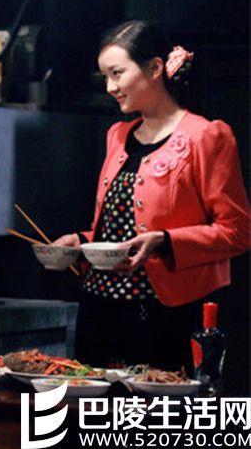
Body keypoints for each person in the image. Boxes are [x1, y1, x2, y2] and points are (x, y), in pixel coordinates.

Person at [54, 21, 251, 371]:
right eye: (105, 77)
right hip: (98, 312)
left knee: (154, 404)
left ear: (155, 67)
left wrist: (165, 241)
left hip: (164, 317)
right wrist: (81, 242)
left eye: (117, 73)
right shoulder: (117, 135)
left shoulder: (206, 137)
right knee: (93, 404)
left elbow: (238, 231)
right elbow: (119, 227)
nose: (110, 87)